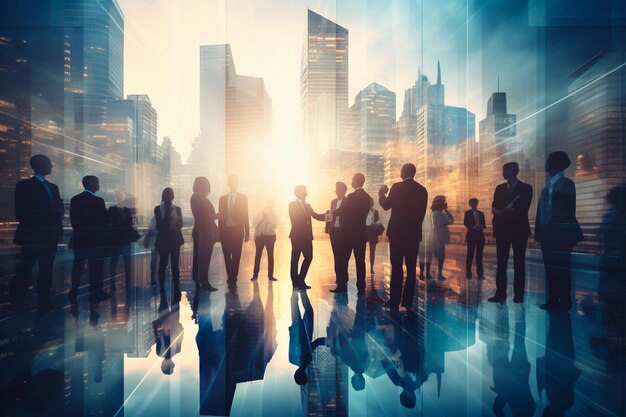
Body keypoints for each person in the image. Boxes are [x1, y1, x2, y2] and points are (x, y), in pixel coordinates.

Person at [12, 154, 64, 314]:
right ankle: (18, 302)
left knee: (46, 270)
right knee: (26, 269)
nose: (51, 166)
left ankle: (43, 302)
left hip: (49, 236)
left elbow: (60, 209)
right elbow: (21, 212)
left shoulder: (53, 187)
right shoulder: (24, 185)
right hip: (33, 236)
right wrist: (48, 216)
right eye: (48, 163)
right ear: (39, 165)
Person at [535, 152, 583, 311]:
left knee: (561, 269)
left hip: (560, 237)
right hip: (549, 236)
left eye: (548, 162)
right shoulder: (548, 187)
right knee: (551, 269)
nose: (545, 165)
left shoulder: (565, 184)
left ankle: (564, 300)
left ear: (555, 164)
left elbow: (562, 213)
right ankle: (554, 299)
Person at [379, 163, 428, 311]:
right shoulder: (422, 190)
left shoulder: (397, 187)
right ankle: (407, 302)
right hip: (413, 235)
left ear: (404, 171)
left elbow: (386, 205)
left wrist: (382, 194)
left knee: (397, 267)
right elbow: (421, 214)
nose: (400, 174)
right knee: (411, 268)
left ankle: (394, 300)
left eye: (401, 171)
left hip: (397, 234)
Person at [489, 162, 533, 304]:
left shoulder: (526, 188)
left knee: (519, 263)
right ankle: (501, 293)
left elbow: (523, 209)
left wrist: (502, 213)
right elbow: (494, 207)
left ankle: (518, 295)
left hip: (518, 230)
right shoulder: (500, 188)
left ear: (512, 172)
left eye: (504, 170)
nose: (502, 173)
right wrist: (501, 212)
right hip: (503, 231)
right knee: (502, 263)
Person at [69, 175, 110, 306]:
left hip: (80, 239)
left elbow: (74, 221)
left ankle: (74, 291)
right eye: (97, 182)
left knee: (78, 267)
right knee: (96, 269)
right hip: (95, 242)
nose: (99, 185)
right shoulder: (98, 201)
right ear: (92, 184)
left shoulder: (75, 200)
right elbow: (104, 221)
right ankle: (96, 292)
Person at [330, 173, 371, 294]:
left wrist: (327, 215)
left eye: (352, 180)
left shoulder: (351, 197)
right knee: (360, 261)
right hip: (361, 234)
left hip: (348, 235)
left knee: (343, 260)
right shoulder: (367, 197)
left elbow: (341, 210)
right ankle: (361, 287)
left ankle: (342, 285)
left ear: (356, 182)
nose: (351, 182)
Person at [288, 185, 325, 290]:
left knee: (309, 257)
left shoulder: (308, 205)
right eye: (304, 190)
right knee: (295, 258)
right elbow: (295, 219)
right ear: (298, 192)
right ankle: (295, 282)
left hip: (307, 236)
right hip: (297, 235)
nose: (306, 192)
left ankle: (300, 279)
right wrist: (307, 213)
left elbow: (315, 215)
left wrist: (327, 216)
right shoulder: (292, 205)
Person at [217, 175, 249, 287]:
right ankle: (230, 275)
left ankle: (233, 277)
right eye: (231, 181)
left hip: (237, 231)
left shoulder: (243, 198)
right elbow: (220, 217)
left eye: (234, 181)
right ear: (228, 183)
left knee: (236, 255)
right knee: (226, 255)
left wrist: (247, 233)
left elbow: (246, 215)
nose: (233, 184)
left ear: (237, 183)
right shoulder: (222, 199)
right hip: (225, 231)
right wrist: (219, 233)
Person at [154, 187, 184, 305]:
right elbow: (159, 226)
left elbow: (181, 224)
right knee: (163, 263)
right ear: (164, 196)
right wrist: (167, 217)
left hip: (174, 238)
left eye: (172, 194)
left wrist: (177, 223)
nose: (170, 197)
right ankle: (162, 286)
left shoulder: (178, 209)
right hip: (164, 239)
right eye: (169, 194)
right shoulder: (158, 209)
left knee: (175, 264)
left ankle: (176, 286)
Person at [190, 177, 219, 292]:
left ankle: (202, 281)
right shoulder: (198, 197)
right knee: (203, 258)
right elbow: (202, 217)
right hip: (203, 233)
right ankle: (202, 282)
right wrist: (216, 216)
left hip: (203, 232)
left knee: (203, 258)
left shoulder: (197, 197)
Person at [108, 190, 136, 290]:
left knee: (114, 263)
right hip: (124, 240)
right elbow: (130, 224)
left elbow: (109, 223)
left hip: (116, 240)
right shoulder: (127, 211)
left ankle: (113, 285)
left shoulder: (112, 209)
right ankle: (127, 284)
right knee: (126, 263)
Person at [325, 182, 348, 290]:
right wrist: (329, 228)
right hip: (334, 232)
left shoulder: (348, 201)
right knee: (336, 256)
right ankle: (339, 280)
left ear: (344, 190)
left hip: (343, 233)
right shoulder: (333, 202)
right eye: (336, 188)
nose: (336, 190)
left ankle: (342, 281)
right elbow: (330, 216)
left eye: (338, 188)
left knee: (342, 257)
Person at [252, 200, 279, 281]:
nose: (269, 207)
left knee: (270, 256)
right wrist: (262, 220)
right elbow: (254, 222)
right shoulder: (261, 213)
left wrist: (269, 220)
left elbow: (275, 225)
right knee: (258, 255)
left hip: (270, 236)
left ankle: (270, 275)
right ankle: (255, 275)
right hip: (261, 236)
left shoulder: (274, 215)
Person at [153, 305, 184, 375]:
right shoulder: (159, 353)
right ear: (163, 366)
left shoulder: (178, 350)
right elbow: (158, 337)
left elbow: (181, 333)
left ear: (172, 364)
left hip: (174, 322)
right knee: (163, 298)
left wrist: (176, 325)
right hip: (163, 322)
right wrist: (166, 330)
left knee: (176, 298)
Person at [431, 195, 454, 281]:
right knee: (440, 256)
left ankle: (437, 274)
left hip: (439, 238)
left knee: (439, 256)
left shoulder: (438, 213)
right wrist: (448, 213)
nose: (446, 203)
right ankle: (438, 274)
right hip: (438, 238)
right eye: (444, 202)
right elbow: (450, 221)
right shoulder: (437, 214)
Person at [464, 198, 486, 280]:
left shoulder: (481, 213)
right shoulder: (467, 213)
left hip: (480, 235)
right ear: (470, 204)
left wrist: (480, 227)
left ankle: (480, 273)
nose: (474, 204)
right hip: (471, 235)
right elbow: (465, 223)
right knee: (470, 254)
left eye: (475, 202)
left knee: (479, 255)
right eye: (472, 203)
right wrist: (473, 227)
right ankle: (468, 273)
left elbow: (484, 225)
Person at [365, 197, 383, 275]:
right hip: (365, 231)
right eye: (369, 202)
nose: (370, 204)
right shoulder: (363, 211)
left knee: (372, 251)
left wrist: (376, 224)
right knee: (363, 251)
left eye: (371, 202)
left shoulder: (375, 212)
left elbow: (378, 221)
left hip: (372, 232)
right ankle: (366, 267)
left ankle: (371, 267)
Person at [143, 214, 158, 286]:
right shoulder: (164, 216)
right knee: (160, 261)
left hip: (154, 242)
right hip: (159, 241)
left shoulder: (154, 217)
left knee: (154, 260)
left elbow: (150, 228)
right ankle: (155, 278)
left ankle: (153, 278)